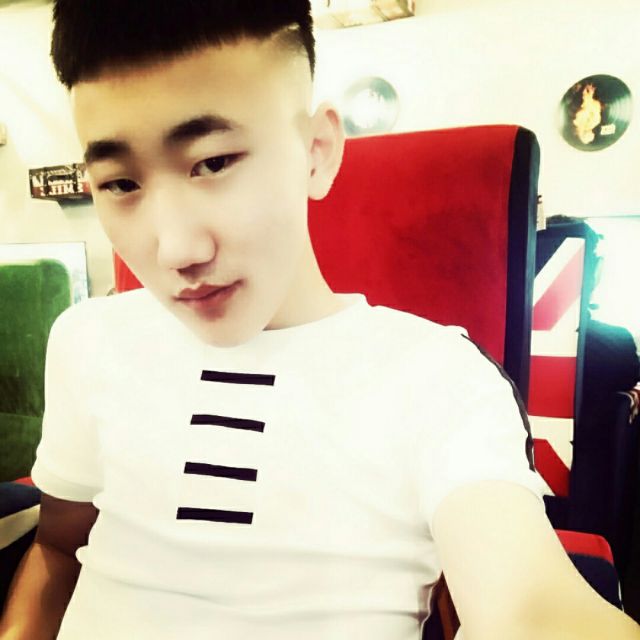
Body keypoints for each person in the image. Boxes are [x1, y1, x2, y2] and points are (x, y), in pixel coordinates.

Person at [1, 2, 639, 639]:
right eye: (120, 184)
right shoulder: (87, 338)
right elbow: (58, 550)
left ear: (316, 152)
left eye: (214, 162)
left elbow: (529, 605)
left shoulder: (437, 378)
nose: (176, 251)